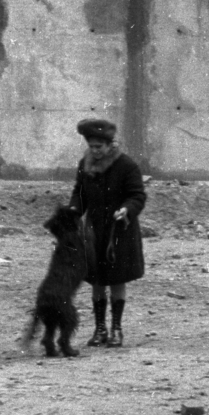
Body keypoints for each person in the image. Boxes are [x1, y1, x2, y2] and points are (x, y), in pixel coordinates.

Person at [68, 118, 146, 348]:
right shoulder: (86, 163)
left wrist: (126, 210)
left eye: (98, 147)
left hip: (119, 232)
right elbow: (79, 192)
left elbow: (138, 195)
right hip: (94, 232)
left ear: (110, 144)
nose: (94, 151)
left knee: (117, 279)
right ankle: (100, 329)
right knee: (96, 280)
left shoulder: (127, 165)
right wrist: (74, 209)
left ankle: (117, 329)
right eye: (91, 146)